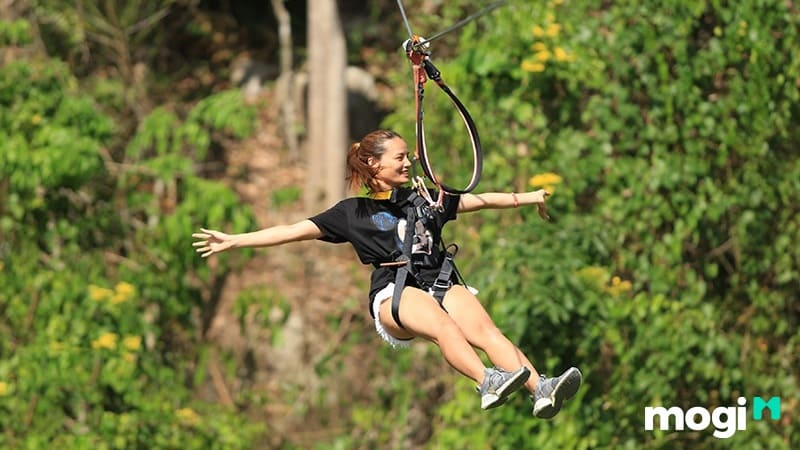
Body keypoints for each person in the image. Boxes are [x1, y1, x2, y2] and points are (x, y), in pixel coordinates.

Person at [192, 129, 581, 417]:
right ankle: (486, 381)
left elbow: (477, 201)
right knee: (444, 326)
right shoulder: (352, 213)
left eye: (408, 156)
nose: (408, 163)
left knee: (487, 331)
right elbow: (293, 231)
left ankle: (540, 389)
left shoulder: (424, 198)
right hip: (394, 292)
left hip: (436, 277)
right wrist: (236, 240)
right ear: (375, 164)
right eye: (400, 158)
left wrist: (528, 198)